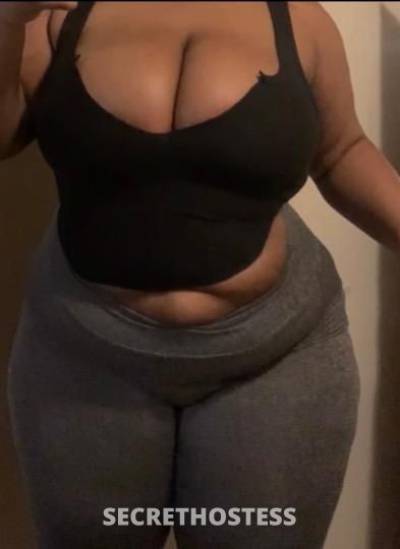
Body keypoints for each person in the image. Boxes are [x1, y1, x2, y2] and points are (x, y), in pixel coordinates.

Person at [1, 1, 399, 548]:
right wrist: (6, 20)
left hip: (273, 362)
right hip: (85, 360)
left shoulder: (299, 18)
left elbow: (341, 151)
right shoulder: (54, 14)